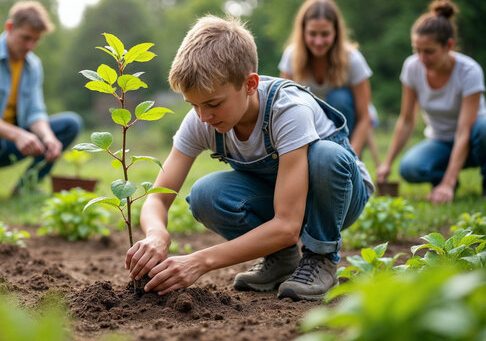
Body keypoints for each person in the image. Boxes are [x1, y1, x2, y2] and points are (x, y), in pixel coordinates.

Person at [125, 15, 374, 301]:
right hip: (284, 199)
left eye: (213, 104)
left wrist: (200, 261)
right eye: (192, 105)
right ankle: (281, 260)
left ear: (250, 84)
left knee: (325, 155)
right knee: (206, 194)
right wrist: (157, 234)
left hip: (338, 197)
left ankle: (321, 258)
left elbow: (287, 225)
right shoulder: (202, 119)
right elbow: (158, 197)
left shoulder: (287, 109)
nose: (204, 117)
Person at [0, 0, 82, 197]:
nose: (30, 46)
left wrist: (48, 137)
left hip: (16, 142)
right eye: (25, 38)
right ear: (9, 27)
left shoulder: (33, 65)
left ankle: (25, 187)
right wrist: (18, 135)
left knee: (71, 123)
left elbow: (35, 113)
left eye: (35, 40)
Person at [376, 0, 486, 204]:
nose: (422, 58)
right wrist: (387, 163)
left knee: (484, 128)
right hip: (440, 140)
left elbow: (463, 131)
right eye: (416, 49)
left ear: (449, 46)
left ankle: (470, 185)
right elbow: (406, 120)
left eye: (429, 51)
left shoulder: (470, 71)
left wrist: (448, 182)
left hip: (474, 140)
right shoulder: (412, 67)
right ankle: (442, 182)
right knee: (409, 168)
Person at [278, 0, 373, 158]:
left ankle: (343, 155)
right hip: (309, 126)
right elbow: (283, 107)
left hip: (345, 129)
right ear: (303, 31)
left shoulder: (353, 59)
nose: (319, 41)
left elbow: (364, 117)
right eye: (312, 34)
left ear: (336, 32)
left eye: (325, 34)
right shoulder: (291, 56)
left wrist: (353, 156)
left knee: (340, 98)